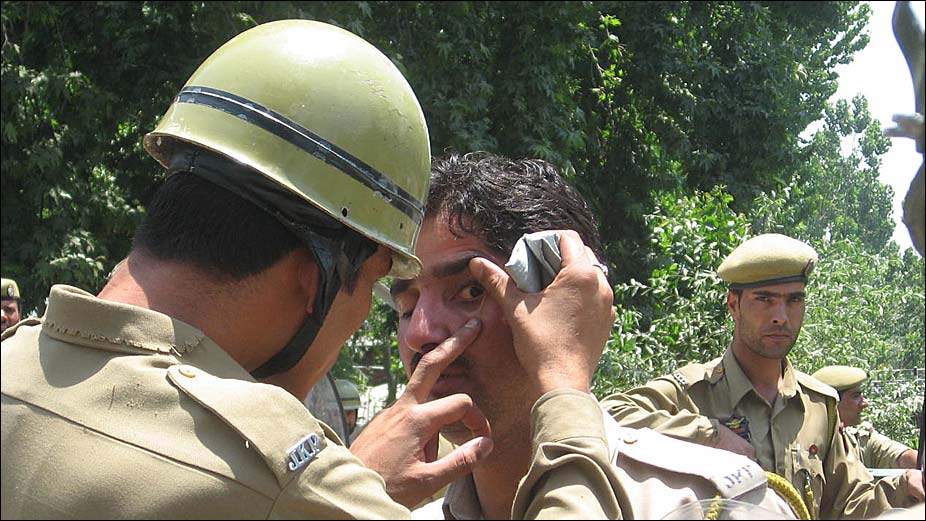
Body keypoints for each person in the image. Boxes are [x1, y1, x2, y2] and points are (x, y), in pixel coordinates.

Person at [1, 21, 621, 519]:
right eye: (386, 291)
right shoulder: (281, 474)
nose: (420, 333)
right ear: (313, 278)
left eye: (466, 290)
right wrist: (565, 389)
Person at [394, 153, 800, 520]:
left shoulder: (714, 506)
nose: (419, 333)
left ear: (571, 306)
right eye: (406, 306)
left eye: (471, 291)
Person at [602, 233, 925, 518]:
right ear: (734, 305)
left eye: (793, 300)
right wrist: (708, 435)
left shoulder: (818, 405)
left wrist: (903, 488)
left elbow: (848, 506)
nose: (780, 317)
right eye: (764, 300)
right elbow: (607, 416)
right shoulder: (694, 392)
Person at [813, 365, 918, 470]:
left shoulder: (857, 438)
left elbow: (899, 455)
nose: (865, 403)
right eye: (856, 396)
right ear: (832, 402)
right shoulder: (806, 443)